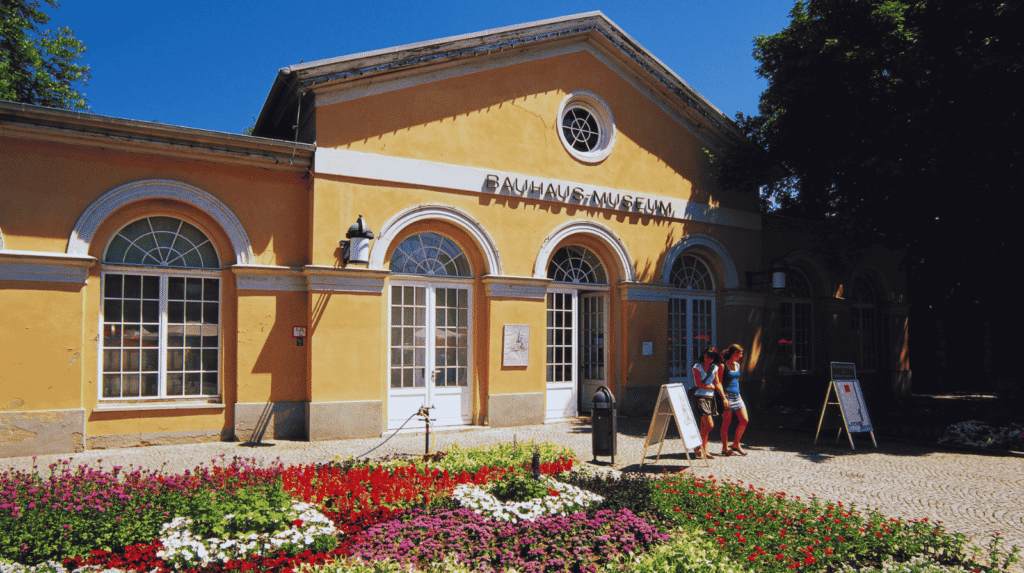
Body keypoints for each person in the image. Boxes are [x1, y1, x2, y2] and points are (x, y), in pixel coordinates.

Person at [692, 347, 729, 459]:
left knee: (704, 425)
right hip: (701, 397)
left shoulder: (714, 368)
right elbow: (698, 384)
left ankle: (703, 449)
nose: (710, 359)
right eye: (709, 356)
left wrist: (724, 398)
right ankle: (698, 445)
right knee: (709, 424)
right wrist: (710, 386)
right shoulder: (697, 367)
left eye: (713, 357)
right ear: (704, 356)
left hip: (710, 398)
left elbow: (717, 383)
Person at [719, 344, 749, 455]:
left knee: (744, 420)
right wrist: (723, 398)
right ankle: (724, 447)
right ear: (734, 353)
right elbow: (719, 383)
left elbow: (736, 381)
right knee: (726, 423)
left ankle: (736, 443)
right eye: (740, 353)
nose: (741, 356)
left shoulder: (737, 365)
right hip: (727, 396)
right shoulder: (723, 366)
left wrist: (738, 391)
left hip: (737, 396)